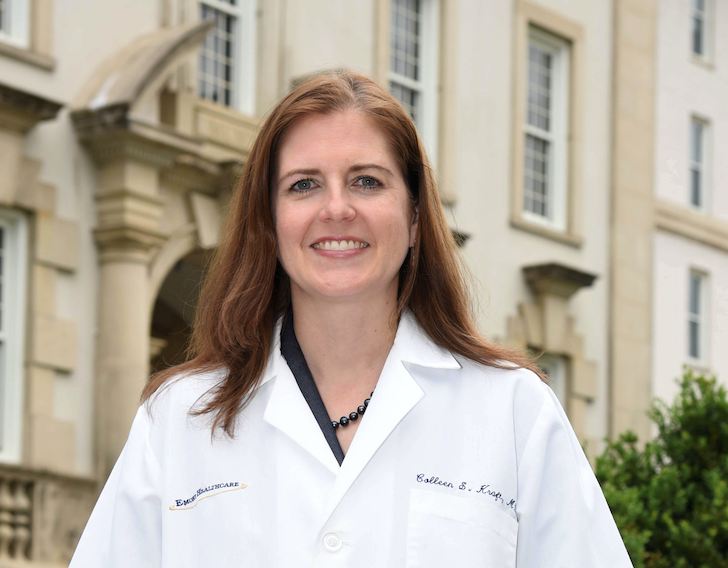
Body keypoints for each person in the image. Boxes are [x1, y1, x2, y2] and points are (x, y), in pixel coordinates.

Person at [70, 71, 633, 567]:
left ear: (414, 217)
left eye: (367, 180)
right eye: (304, 185)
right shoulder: (179, 419)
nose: (336, 209)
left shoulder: (513, 412)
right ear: (269, 221)